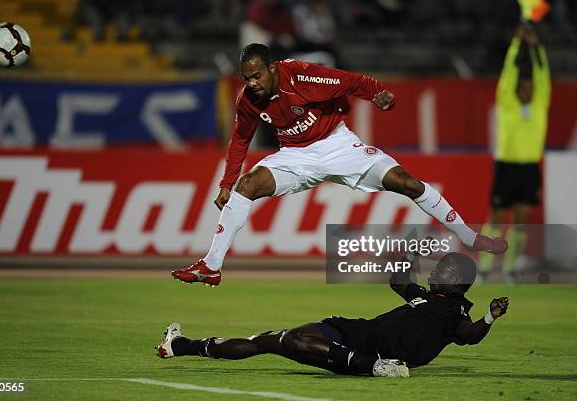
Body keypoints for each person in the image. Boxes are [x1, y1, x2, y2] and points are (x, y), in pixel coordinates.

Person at [172, 43, 507, 286]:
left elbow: (349, 81)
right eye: (247, 78)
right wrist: (227, 182)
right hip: (295, 155)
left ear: (272, 69)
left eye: (257, 76)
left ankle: (469, 236)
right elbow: (240, 139)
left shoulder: (303, 77)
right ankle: (212, 265)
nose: (252, 83)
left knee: (407, 183)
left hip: (338, 145)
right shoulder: (247, 100)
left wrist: (378, 93)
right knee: (246, 187)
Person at [157, 252, 510, 377]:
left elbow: (468, 335)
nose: (435, 273)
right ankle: (181, 346)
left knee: (287, 339)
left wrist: (491, 317)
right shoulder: (426, 296)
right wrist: (410, 260)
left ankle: (374, 367)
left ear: (460, 282)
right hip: (359, 334)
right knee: (269, 339)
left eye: (443, 270)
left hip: (382, 348)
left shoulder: (455, 309)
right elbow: (398, 281)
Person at [478, 23, 550, 283]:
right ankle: (485, 268)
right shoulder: (507, 104)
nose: (528, 89)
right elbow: (509, 75)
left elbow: (542, 76)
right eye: (524, 87)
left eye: (530, 87)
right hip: (506, 165)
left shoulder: (540, 105)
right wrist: (518, 46)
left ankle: (509, 270)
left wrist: (536, 47)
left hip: (529, 167)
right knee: (496, 218)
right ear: (517, 89)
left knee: (520, 221)